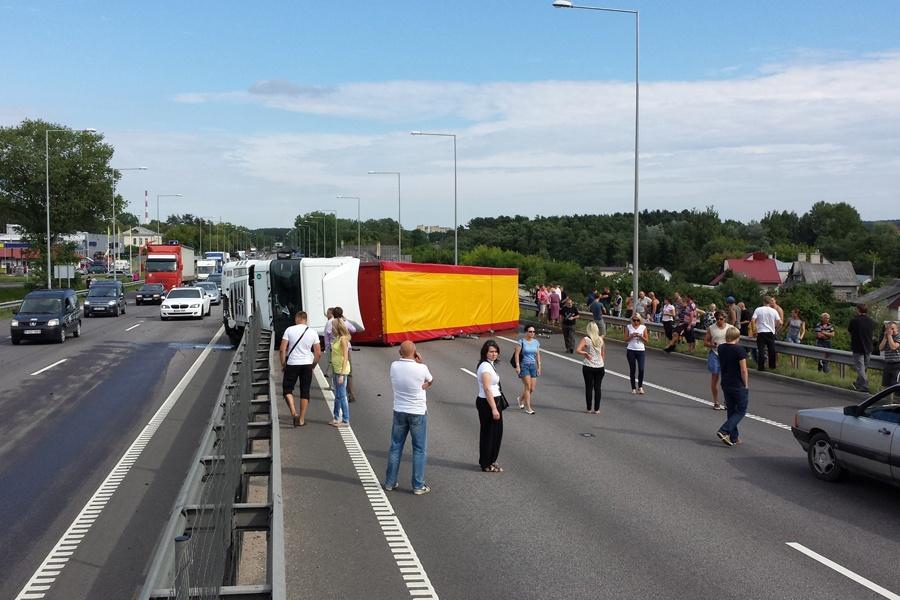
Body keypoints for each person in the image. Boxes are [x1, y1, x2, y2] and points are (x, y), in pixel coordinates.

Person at [384, 340, 434, 495]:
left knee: (395, 447)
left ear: (400, 352)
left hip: (399, 410)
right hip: (417, 412)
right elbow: (430, 380)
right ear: (415, 352)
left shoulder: (394, 366)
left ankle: (390, 482)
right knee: (419, 449)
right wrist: (420, 361)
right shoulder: (421, 368)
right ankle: (418, 485)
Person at [279, 311, 321, 427]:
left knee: (287, 389)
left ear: (297, 318)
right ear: (306, 320)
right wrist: (313, 365)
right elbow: (318, 353)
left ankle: (293, 412)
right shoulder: (313, 332)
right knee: (305, 391)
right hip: (307, 363)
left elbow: (282, 349)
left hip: (292, 363)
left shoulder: (289, 330)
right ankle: (301, 419)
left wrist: (283, 364)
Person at [716, 327, 749, 446]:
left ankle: (734, 437)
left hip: (725, 382)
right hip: (737, 384)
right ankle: (724, 430)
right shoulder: (739, 350)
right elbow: (743, 370)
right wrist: (745, 384)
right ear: (737, 337)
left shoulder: (721, 348)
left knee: (731, 409)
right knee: (741, 410)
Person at [476, 340, 505, 473]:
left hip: (493, 400)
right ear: (485, 353)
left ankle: (491, 460)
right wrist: (493, 408)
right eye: (491, 351)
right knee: (489, 434)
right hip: (488, 403)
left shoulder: (489, 364)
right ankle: (486, 463)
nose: (494, 354)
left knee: (496, 434)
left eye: (496, 351)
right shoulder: (485, 367)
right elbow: (487, 388)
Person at [325, 306, 358, 401]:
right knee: (349, 370)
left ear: (333, 314)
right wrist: (345, 319)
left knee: (335, 369)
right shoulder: (344, 322)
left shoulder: (330, 322)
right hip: (345, 346)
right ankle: (350, 393)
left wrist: (328, 346)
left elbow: (327, 334)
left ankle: (338, 391)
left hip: (334, 347)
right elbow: (354, 330)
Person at [704, 310, 734, 410]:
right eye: (717, 319)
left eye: (721, 319)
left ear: (725, 318)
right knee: (715, 377)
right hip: (715, 354)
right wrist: (712, 344)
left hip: (727, 355)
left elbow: (736, 338)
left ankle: (727, 401)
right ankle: (716, 402)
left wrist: (731, 345)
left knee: (726, 380)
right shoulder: (711, 328)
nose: (719, 321)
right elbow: (706, 342)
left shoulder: (730, 328)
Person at [576, 321, 606, 413]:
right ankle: (597, 409)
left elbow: (578, 350)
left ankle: (589, 408)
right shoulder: (601, 339)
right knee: (598, 388)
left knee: (589, 387)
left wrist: (585, 353)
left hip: (589, 366)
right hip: (599, 366)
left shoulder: (586, 339)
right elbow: (603, 353)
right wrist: (601, 363)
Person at [329, 318, 352, 427]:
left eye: (332, 326)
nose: (331, 328)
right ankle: (336, 417)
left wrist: (342, 374)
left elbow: (346, 356)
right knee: (338, 395)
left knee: (342, 395)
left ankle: (345, 420)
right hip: (336, 368)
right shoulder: (337, 338)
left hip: (341, 371)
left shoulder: (343, 339)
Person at [848, 303, 876, 392]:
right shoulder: (871, 321)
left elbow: (850, 331)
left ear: (858, 310)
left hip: (857, 347)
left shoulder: (854, 321)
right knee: (864, 368)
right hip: (868, 347)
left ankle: (864, 386)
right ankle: (858, 383)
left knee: (860, 368)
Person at [513, 326, 541, 414]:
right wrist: (517, 366)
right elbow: (517, 354)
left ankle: (520, 399)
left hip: (533, 366)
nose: (532, 333)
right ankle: (528, 408)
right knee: (527, 386)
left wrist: (539, 366)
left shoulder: (536, 342)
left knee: (532, 388)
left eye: (533, 331)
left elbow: (538, 354)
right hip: (524, 366)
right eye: (530, 331)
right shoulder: (521, 342)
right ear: (526, 332)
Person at [751, 296, 781, 371]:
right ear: (770, 302)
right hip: (770, 332)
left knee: (761, 350)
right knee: (772, 350)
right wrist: (775, 328)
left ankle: (761, 367)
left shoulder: (758, 309)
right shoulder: (774, 311)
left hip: (761, 332)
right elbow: (780, 322)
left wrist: (754, 330)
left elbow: (753, 320)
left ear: (763, 301)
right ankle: (772, 366)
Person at [625, 314, 649, 394]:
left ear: (640, 320)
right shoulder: (628, 327)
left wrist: (640, 336)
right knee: (633, 369)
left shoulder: (643, 327)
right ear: (632, 320)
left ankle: (640, 387)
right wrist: (631, 336)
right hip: (631, 350)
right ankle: (633, 388)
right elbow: (625, 339)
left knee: (641, 369)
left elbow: (646, 340)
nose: (636, 322)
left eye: (638, 320)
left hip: (641, 350)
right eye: (634, 320)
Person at [880, 321, 900, 387]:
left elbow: (893, 347)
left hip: (897, 365)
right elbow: (880, 348)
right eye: (889, 329)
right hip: (887, 364)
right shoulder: (886, 337)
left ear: (897, 329)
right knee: (886, 386)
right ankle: (887, 397)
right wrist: (885, 338)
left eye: (892, 328)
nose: (891, 331)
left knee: (895, 386)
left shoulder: (898, 337)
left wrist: (889, 335)